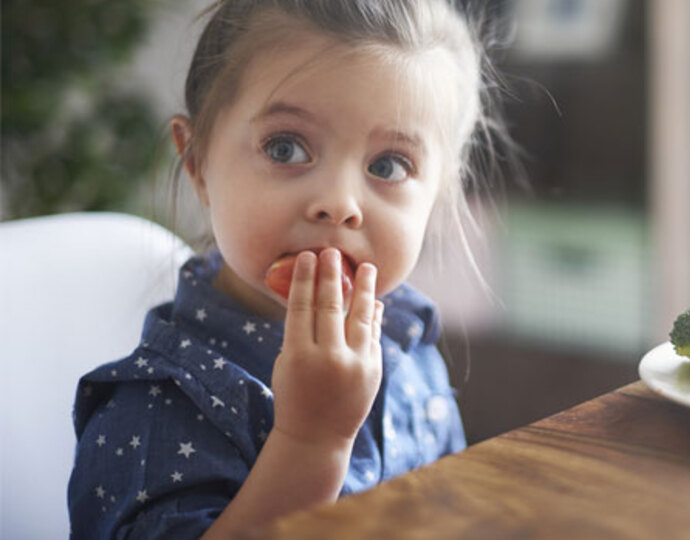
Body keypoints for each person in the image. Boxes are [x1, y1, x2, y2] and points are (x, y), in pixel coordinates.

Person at [67, 1, 517, 538]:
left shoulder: (406, 337)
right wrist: (311, 443)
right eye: (286, 148)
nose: (339, 202)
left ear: (439, 195)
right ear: (199, 164)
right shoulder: (157, 406)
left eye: (388, 166)